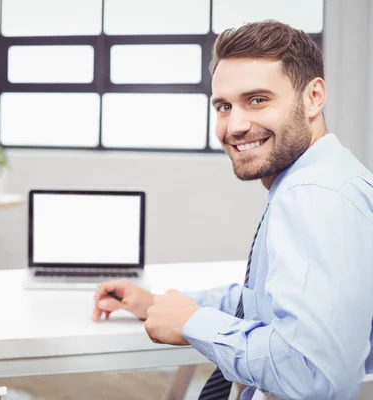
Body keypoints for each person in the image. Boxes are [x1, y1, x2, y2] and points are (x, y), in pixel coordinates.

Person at [94, 20, 373, 400]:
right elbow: (265, 302)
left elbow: (316, 374)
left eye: (257, 100)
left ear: (313, 97)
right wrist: (158, 303)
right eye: (224, 106)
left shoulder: (313, 196)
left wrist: (194, 322)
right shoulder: (322, 177)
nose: (235, 125)